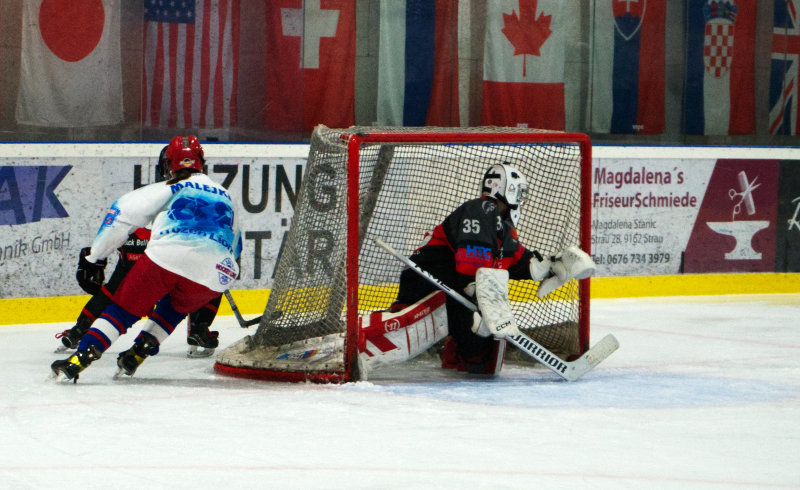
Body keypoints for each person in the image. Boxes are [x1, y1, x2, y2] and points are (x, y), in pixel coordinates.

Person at [51, 136, 241, 382]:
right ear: (201, 163)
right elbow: (236, 248)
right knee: (173, 308)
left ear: (169, 164)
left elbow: (121, 214)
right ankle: (138, 353)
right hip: (219, 273)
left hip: (169, 255)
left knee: (122, 310)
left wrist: (94, 258)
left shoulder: (170, 187)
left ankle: (81, 357)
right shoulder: (226, 195)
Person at [389, 163, 594, 375]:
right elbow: (472, 264)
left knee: (483, 359)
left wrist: (550, 266)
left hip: (450, 292)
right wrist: (483, 303)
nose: (521, 199)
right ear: (507, 188)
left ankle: (456, 350)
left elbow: (520, 263)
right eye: (520, 191)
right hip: (425, 285)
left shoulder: (500, 227)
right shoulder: (482, 209)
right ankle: (448, 341)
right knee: (480, 336)